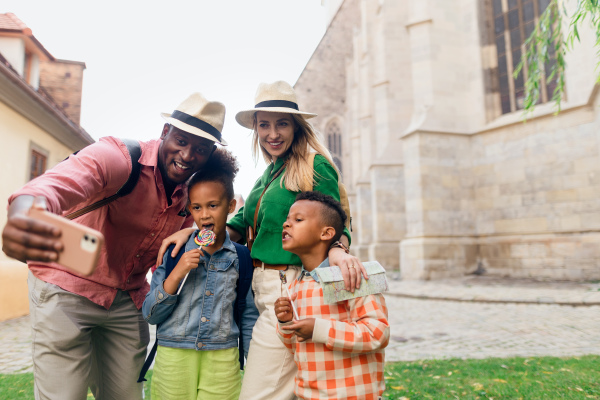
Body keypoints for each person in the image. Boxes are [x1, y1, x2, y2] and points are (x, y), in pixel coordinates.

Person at [1, 92, 227, 400]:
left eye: (200, 149)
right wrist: (24, 214)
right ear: (165, 133)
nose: (188, 155)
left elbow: (213, 233)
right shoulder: (119, 157)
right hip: (65, 287)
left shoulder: (194, 195)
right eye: (182, 141)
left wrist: (199, 236)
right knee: (63, 396)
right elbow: (52, 187)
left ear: (210, 153)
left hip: (126, 299)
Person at [157, 80, 368, 399]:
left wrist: (339, 250)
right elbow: (237, 223)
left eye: (282, 124)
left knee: (258, 392)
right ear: (255, 128)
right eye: (264, 125)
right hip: (262, 286)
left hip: (290, 286)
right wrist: (195, 233)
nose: (273, 133)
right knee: (290, 387)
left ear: (296, 127)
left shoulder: (314, 165)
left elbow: (335, 219)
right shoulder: (267, 177)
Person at [143, 149, 258, 400]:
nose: (204, 215)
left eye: (213, 206)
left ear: (230, 206)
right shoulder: (174, 253)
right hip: (174, 354)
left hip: (222, 358)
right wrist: (179, 272)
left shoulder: (242, 258)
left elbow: (248, 315)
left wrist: (254, 365)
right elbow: (150, 314)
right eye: (196, 207)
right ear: (190, 210)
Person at [275, 191, 389, 400]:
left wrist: (317, 328)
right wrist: (285, 323)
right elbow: (294, 346)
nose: (286, 224)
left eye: (298, 220)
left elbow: (377, 333)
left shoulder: (354, 275)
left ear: (326, 233)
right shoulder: (294, 286)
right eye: (287, 220)